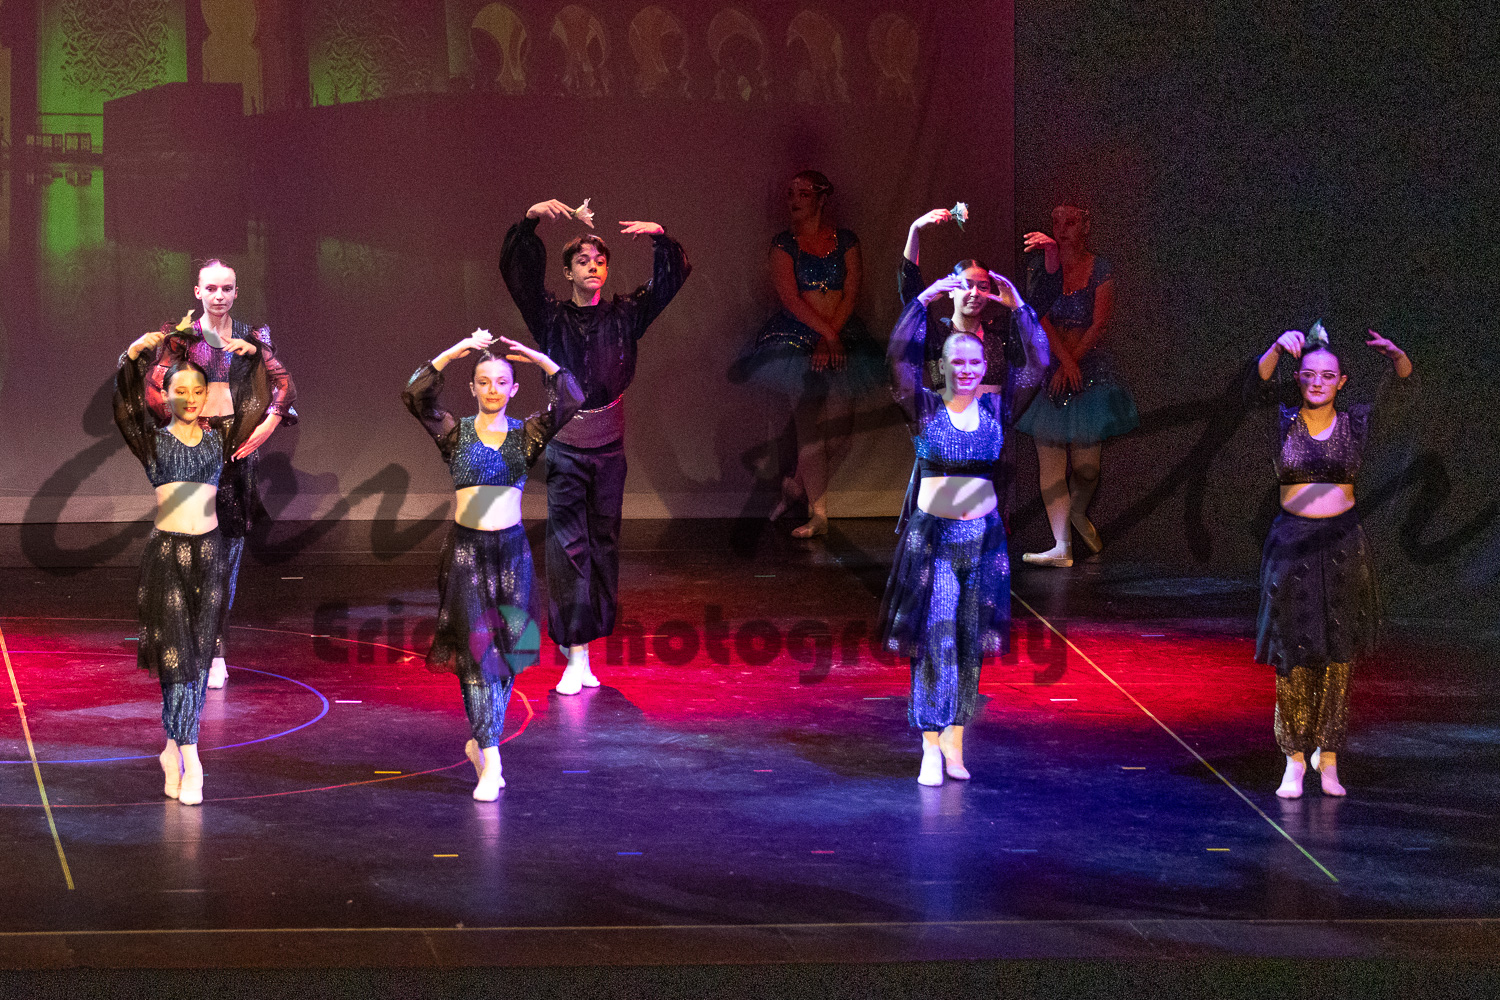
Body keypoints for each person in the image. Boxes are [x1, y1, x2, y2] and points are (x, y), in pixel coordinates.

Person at [500, 199, 691, 695]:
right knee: (568, 548)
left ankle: (586, 645)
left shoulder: (625, 314)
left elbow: (669, 283)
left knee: (603, 543)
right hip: (567, 446)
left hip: (609, 446)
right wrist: (531, 220)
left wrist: (660, 236)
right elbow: (519, 277)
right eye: (583, 261)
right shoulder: (550, 318)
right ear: (567, 272)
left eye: (600, 261)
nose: (593, 266)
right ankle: (576, 654)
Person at [880, 267, 1045, 786]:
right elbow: (897, 359)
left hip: (985, 542)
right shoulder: (924, 407)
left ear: (984, 365)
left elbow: (1038, 363)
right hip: (934, 542)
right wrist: (922, 301)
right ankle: (930, 743)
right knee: (937, 636)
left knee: (970, 640)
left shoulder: (998, 408)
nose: (967, 369)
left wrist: (1019, 309)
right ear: (943, 366)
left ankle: (955, 740)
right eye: (957, 361)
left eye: (974, 362)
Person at [403, 330, 583, 799]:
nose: (492, 390)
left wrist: (540, 359)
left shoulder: (527, 435)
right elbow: (415, 395)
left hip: (512, 555)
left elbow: (572, 398)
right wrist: (453, 352)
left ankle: (483, 745)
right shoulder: (454, 433)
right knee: (476, 660)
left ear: (514, 388)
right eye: (483, 382)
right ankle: (491, 757)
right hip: (466, 556)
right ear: (472, 387)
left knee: (508, 656)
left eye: (501, 382)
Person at [1253, 321, 1413, 799]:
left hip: (1343, 545)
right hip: (1292, 544)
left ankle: (1329, 756)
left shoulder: (1355, 423)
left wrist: (1397, 356)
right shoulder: (1283, 421)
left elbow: (1403, 389)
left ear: (1341, 382)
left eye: (1328, 376)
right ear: (1298, 378)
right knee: (1293, 654)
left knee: (1339, 654)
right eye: (1309, 374)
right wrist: (1275, 347)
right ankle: (1293, 758)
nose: (1318, 382)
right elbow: (1254, 386)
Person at [114, 329, 268, 805]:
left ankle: (170, 749)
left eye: (197, 391)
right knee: (175, 659)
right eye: (179, 390)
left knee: (198, 660)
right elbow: (124, 405)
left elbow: (262, 401)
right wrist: (132, 356)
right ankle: (191, 756)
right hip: (166, 558)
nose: (190, 398)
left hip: (209, 557)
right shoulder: (151, 441)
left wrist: (257, 357)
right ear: (165, 395)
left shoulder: (221, 439)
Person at [133, 260, 297, 687]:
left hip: (238, 450)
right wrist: (183, 428)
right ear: (198, 291)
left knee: (227, 557)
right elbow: (154, 389)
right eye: (211, 288)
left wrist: (269, 425)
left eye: (227, 288)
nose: (219, 295)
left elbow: (283, 385)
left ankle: (216, 649)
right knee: (190, 550)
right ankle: (189, 639)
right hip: (195, 448)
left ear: (236, 292)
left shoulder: (251, 338)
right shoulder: (182, 338)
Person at [731, 170, 883, 537]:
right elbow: (789, 297)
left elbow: (852, 290)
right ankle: (819, 515)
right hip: (797, 339)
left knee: (841, 434)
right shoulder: (784, 244)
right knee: (810, 431)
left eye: (802, 193)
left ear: (821, 198)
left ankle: (795, 486)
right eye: (790, 193)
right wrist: (825, 334)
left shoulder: (846, 240)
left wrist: (833, 335)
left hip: (842, 333)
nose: (794, 200)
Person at [898, 209, 1050, 524]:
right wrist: (915, 229)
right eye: (966, 285)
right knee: (941, 524)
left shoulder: (1001, 335)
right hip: (944, 439)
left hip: (989, 441)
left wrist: (1020, 303)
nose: (974, 293)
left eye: (982, 286)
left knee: (984, 526)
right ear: (951, 289)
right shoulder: (938, 336)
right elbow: (910, 294)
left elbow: (1037, 345)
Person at [1014, 204, 1137, 567]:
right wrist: (1063, 362)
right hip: (1051, 366)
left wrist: (1074, 362)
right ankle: (1061, 545)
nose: (1062, 228)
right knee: (1051, 463)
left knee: (1087, 468)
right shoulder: (1041, 266)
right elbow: (1040, 316)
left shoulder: (1100, 268)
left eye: (1070, 222)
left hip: (1089, 370)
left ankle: (1079, 511)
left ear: (1085, 225)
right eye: (1056, 222)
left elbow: (1100, 323)